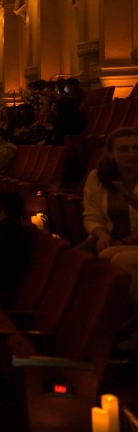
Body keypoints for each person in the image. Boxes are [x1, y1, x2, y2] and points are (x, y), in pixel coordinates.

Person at [80, 127, 138, 309]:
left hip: (130, 239)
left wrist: (122, 242)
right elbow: (91, 215)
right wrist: (103, 235)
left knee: (109, 257)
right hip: (109, 237)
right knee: (73, 261)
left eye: (136, 148)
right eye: (123, 149)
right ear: (111, 153)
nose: (132, 154)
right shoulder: (98, 177)